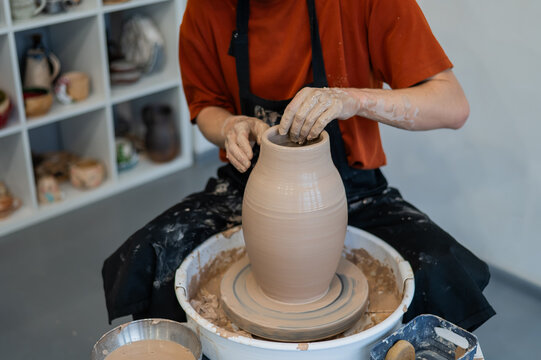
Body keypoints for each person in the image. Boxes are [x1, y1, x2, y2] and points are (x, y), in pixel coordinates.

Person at [102, 0, 495, 332]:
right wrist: (228, 127)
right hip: (248, 186)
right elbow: (205, 107)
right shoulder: (208, 7)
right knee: (150, 257)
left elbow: (452, 104)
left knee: (442, 270)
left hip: (353, 191)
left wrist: (354, 100)